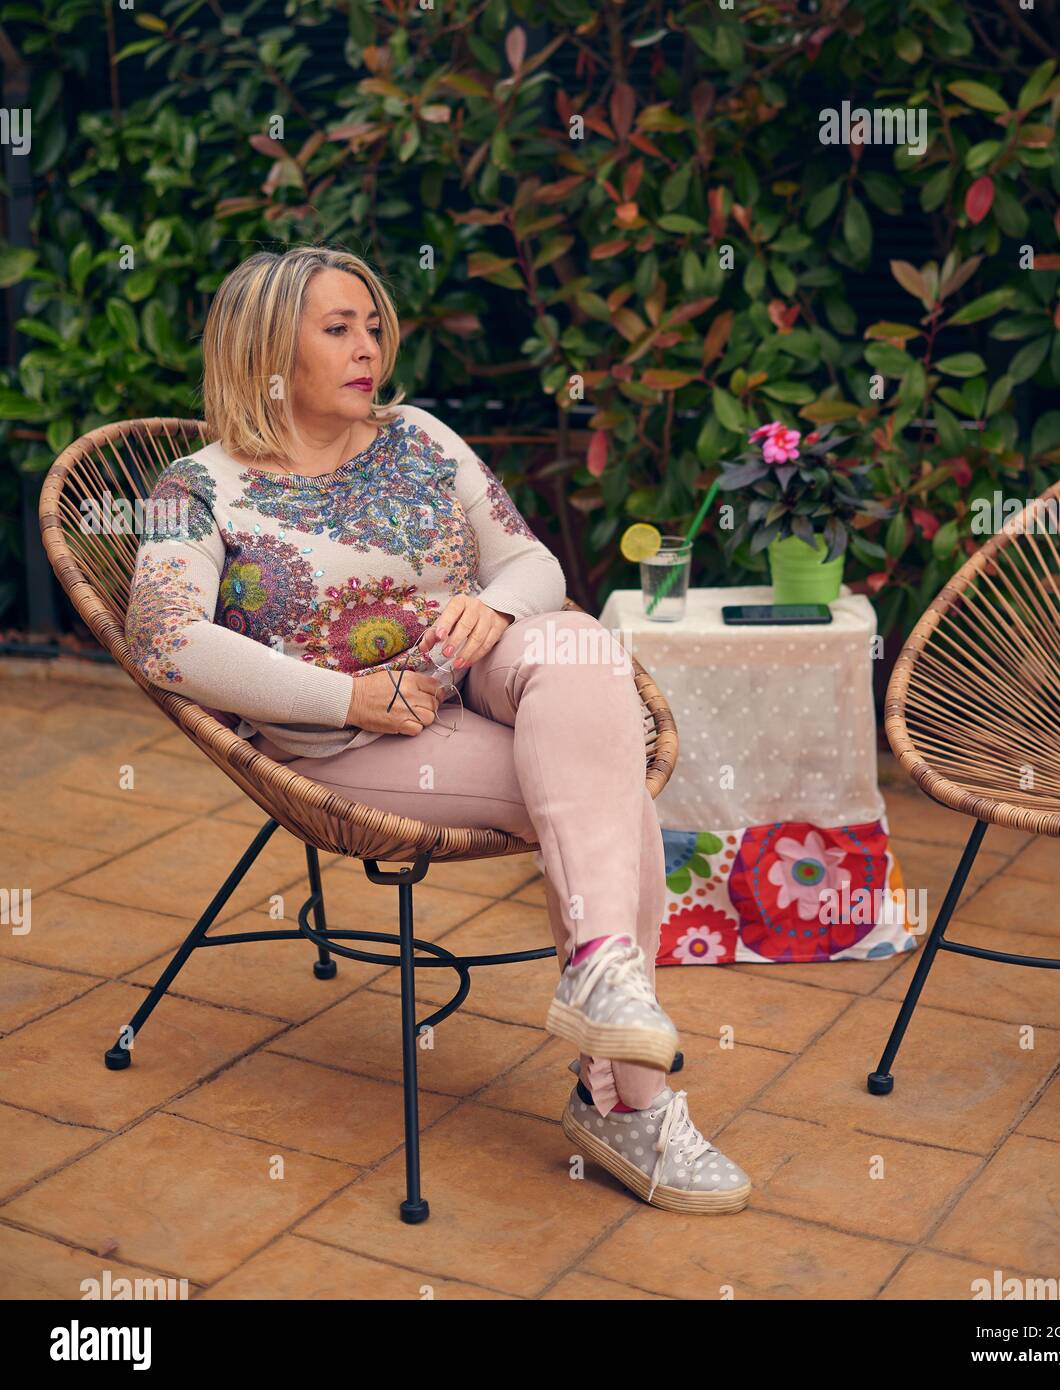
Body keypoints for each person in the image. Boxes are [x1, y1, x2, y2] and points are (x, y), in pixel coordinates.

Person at [122, 244, 750, 1213]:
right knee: (607, 792)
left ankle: (598, 979)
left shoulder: (419, 436)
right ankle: (629, 1097)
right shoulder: (195, 488)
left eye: (373, 324)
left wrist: (496, 610)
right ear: (264, 348)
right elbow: (163, 641)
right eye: (338, 328)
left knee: (579, 644)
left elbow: (534, 563)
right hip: (363, 739)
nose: (368, 345)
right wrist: (347, 699)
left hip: (474, 674)